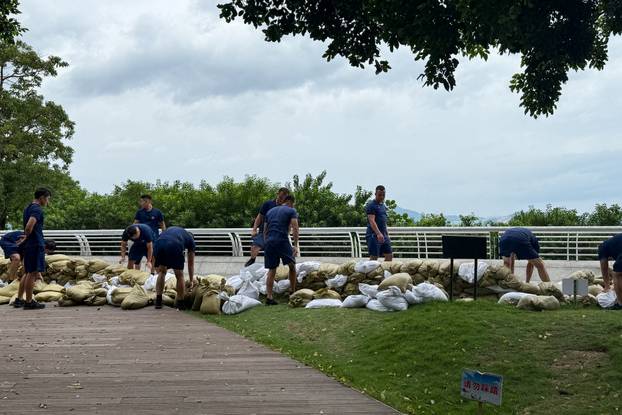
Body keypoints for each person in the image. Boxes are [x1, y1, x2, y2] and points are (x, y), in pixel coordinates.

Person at [15, 188, 52, 309]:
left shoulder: (28, 207)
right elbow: (29, 226)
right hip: (36, 243)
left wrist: (26, 238)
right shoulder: (37, 209)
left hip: (30, 244)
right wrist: (27, 236)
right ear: (42, 198)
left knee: (28, 272)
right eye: (47, 199)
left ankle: (20, 299)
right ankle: (29, 301)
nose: (47, 202)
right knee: (33, 273)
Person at [263, 195, 299, 305]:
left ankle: (269, 297)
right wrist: (295, 245)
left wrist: (266, 242)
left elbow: (265, 230)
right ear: (291, 202)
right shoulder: (291, 210)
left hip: (269, 242)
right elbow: (295, 228)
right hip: (281, 240)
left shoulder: (270, 211)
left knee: (272, 270)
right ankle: (292, 293)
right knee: (292, 265)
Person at [153, 226, 196, 309]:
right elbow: (191, 264)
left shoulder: (177, 231)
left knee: (162, 272)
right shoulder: (191, 241)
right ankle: (180, 303)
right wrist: (191, 280)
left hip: (158, 244)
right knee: (179, 275)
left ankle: (158, 301)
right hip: (174, 244)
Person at [245, 187, 290, 267]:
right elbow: (259, 217)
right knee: (255, 246)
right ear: (277, 194)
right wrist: (254, 229)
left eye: (283, 199)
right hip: (264, 231)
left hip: (277, 234)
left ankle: (282, 266)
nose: (281, 200)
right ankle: (252, 260)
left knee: (278, 252)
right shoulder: (268, 204)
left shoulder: (286, 208)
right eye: (280, 197)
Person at [134, 194, 165, 272]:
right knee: (137, 258)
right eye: (141, 201)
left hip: (154, 238)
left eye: (144, 201)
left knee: (153, 257)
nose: (142, 203)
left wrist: (164, 235)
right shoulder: (139, 212)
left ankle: (152, 274)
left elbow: (162, 224)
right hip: (141, 239)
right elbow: (135, 224)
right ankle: (137, 274)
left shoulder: (157, 212)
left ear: (149, 201)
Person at [365, 185, 392, 261]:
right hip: (373, 235)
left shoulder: (383, 206)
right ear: (375, 194)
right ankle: (369, 272)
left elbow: (383, 221)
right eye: (379, 195)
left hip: (384, 235)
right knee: (374, 257)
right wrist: (378, 233)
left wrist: (386, 234)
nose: (382, 197)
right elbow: (372, 221)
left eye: (383, 195)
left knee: (389, 255)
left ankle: (385, 272)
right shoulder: (371, 205)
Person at [597, 234, 622, 309]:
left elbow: (604, 268)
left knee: (616, 274)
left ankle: (620, 304)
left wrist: (607, 286)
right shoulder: (613, 244)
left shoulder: (602, 248)